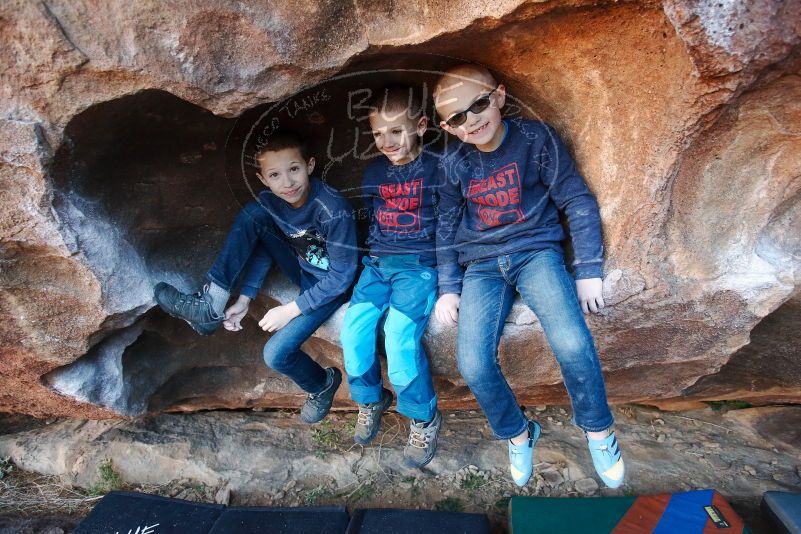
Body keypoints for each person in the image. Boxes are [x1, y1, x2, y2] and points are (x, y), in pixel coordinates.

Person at [433, 64, 624, 488]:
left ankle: (599, 430)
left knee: (572, 341)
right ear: (447, 126)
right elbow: (445, 226)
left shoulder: (536, 138)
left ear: (499, 96)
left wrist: (588, 268)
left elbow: (575, 199)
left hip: (535, 252)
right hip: (481, 267)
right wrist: (448, 287)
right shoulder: (452, 161)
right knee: (473, 363)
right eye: (458, 118)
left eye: (479, 104)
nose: (472, 120)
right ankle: (518, 433)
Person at [154, 131, 357, 424]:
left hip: (332, 288)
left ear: (310, 165)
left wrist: (291, 309)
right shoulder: (272, 202)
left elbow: (342, 277)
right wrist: (245, 298)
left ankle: (321, 384)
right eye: (275, 175)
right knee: (254, 214)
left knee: (275, 355)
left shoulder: (333, 209)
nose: (286, 182)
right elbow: (265, 245)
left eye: (294, 170)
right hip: (303, 269)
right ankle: (212, 302)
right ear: (263, 179)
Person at [339, 84, 442, 468]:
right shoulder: (374, 172)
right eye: (378, 133)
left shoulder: (437, 167)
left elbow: (449, 222)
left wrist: (449, 282)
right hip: (378, 265)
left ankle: (422, 415)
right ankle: (371, 399)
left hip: (418, 267)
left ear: (421, 125)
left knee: (399, 336)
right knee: (353, 329)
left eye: (395, 131)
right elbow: (372, 217)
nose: (386, 141)